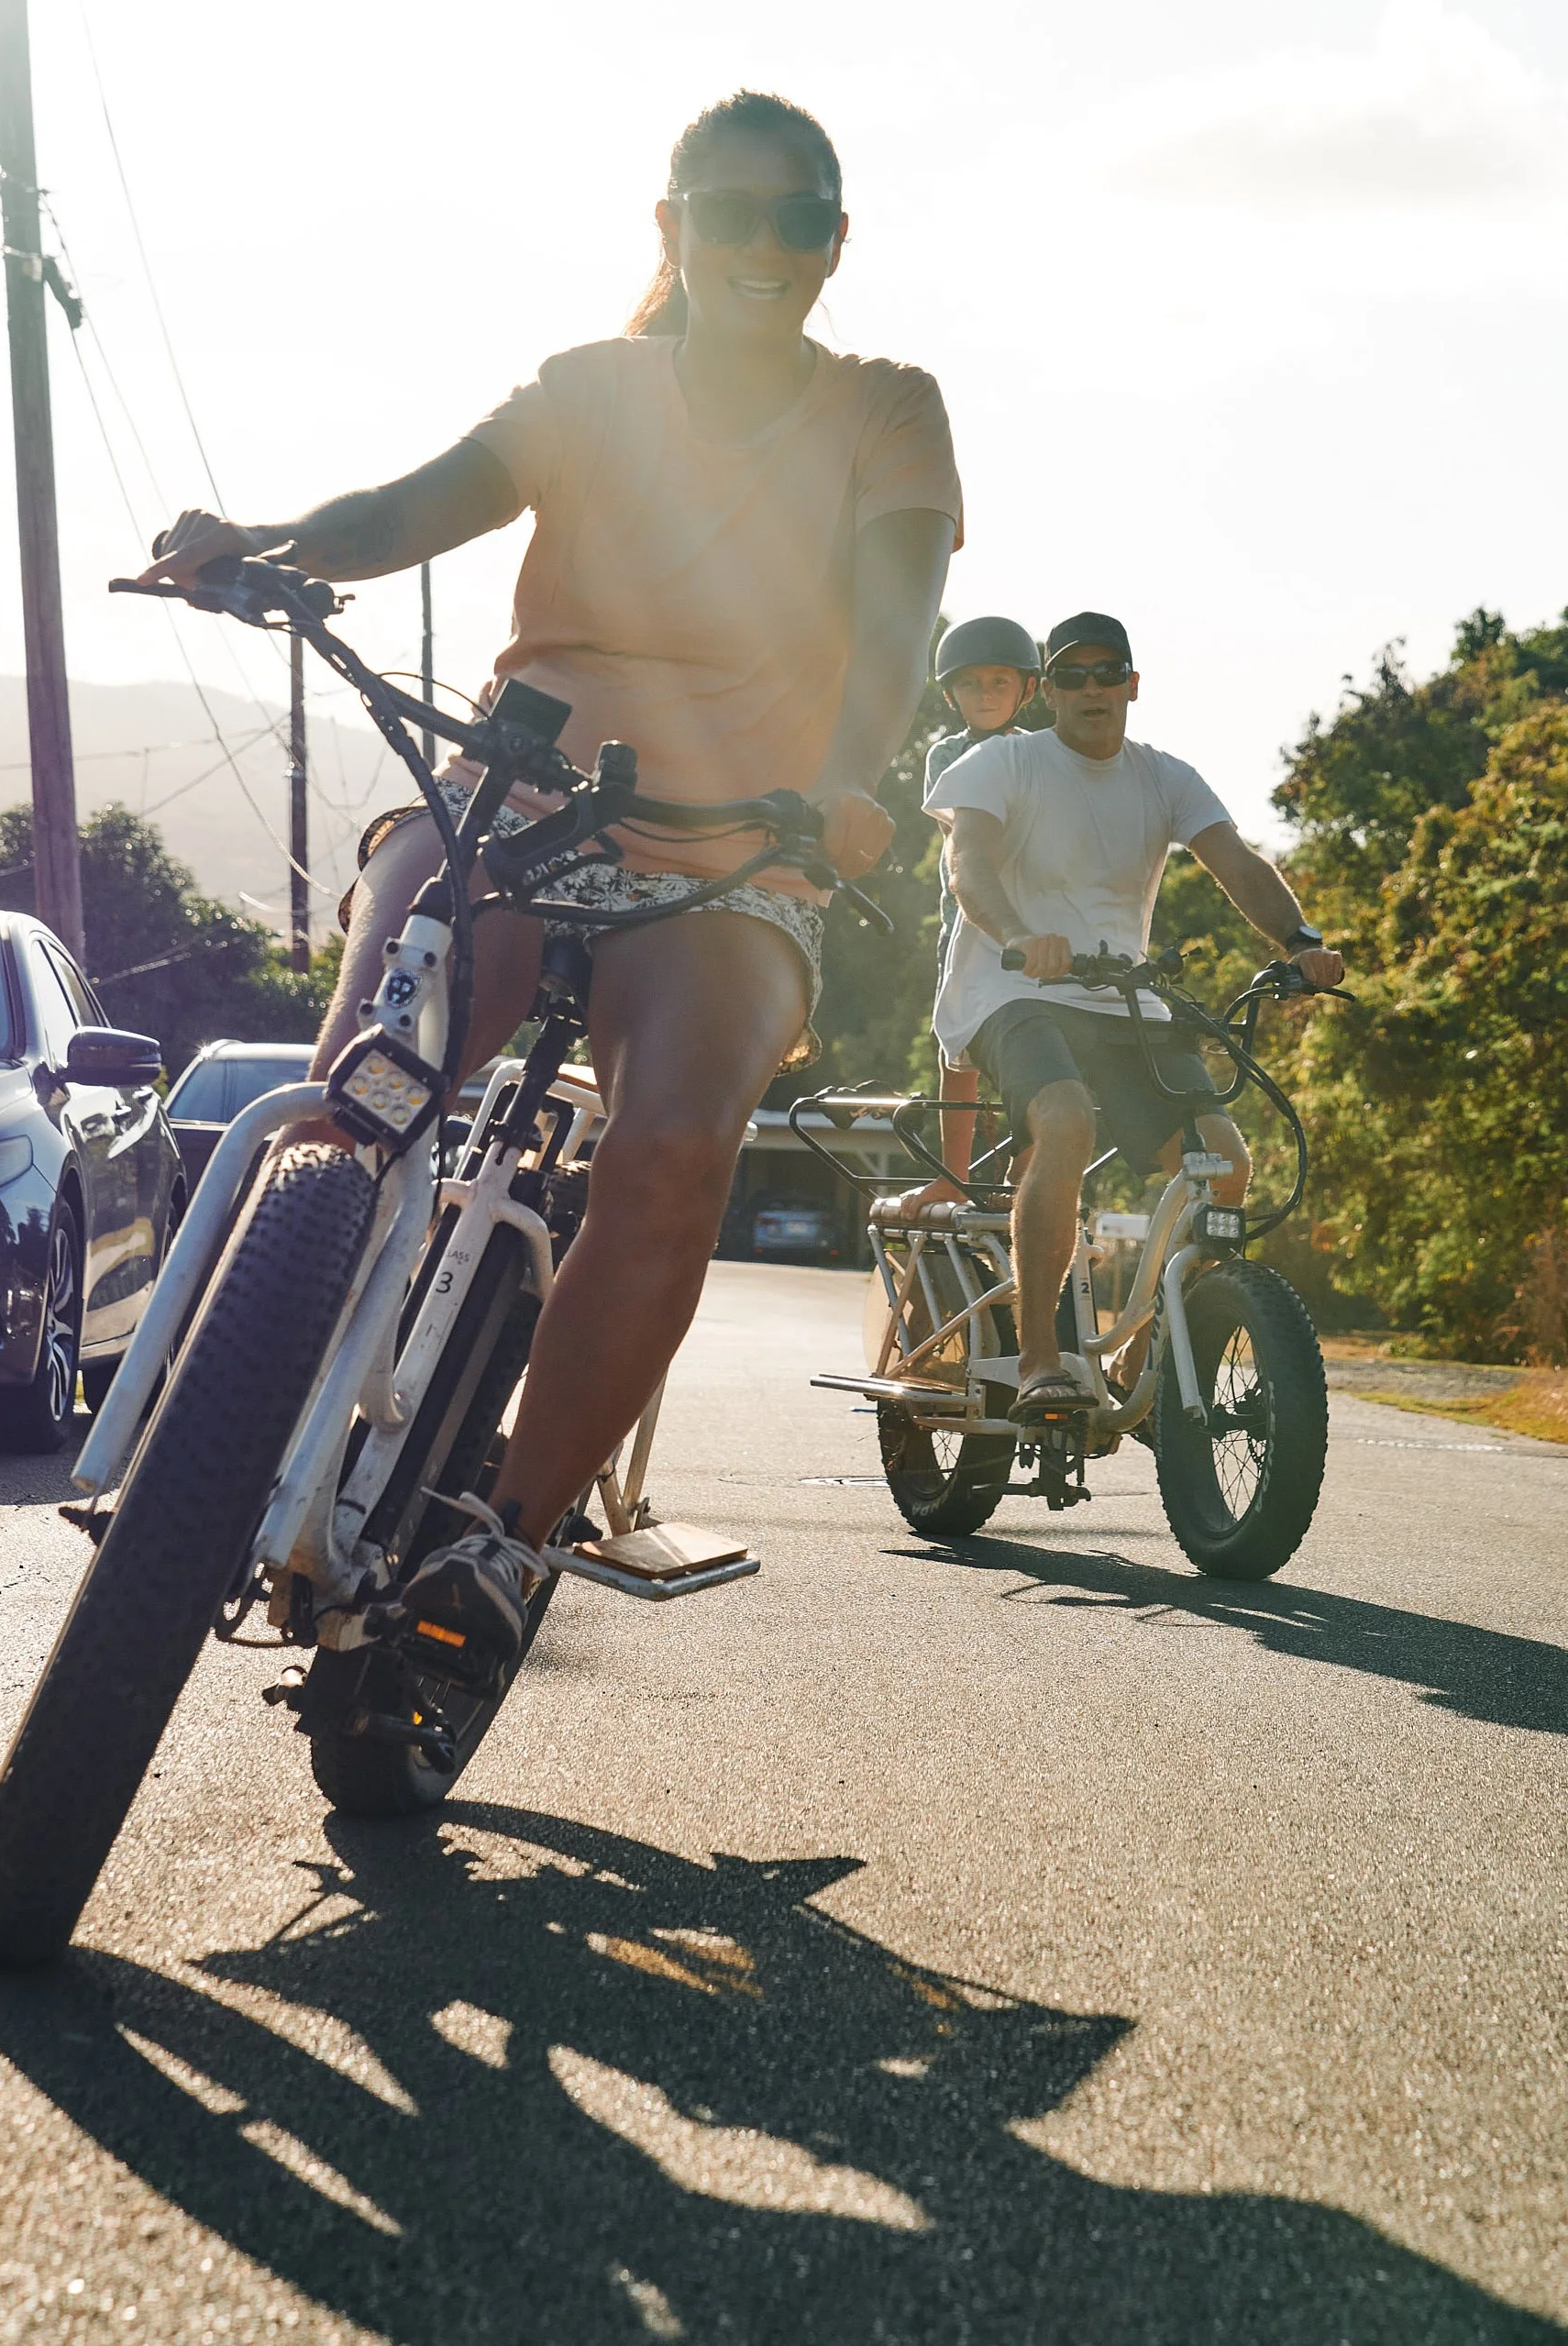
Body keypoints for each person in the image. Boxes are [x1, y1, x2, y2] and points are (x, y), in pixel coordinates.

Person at [138, 90, 961, 1669]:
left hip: (743, 847)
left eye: (800, 219)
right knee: (370, 1084)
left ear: (833, 243)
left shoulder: (884, 409)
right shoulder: (592, 391)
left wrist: (845, 781)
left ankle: (504, 1547)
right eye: (729, 212)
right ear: (670, 228)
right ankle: (241, 1407)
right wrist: (272, 541)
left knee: (668, 1154)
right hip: (518, 800)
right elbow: (414, 504)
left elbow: (894, 618)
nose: (763, 245)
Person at [929, 612, 1343, 1413]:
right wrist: (1017, 935)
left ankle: (1145, 1353)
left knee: (1225, 1166)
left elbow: (1236, 863)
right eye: (1073, 676)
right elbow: (966, 861)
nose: (1092, 689)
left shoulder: (1166, 778)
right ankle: (1042, 1360)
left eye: (1107, 673)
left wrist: (1299, 941)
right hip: (1011, 991)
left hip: (1123, 999)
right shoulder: (1001, 763)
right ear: (1047, 689)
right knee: (1065, 1118)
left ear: (1133, 684)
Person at [910, 615, 1041, 1201]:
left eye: (999, 683)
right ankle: (953, 1175)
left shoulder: (1043, 755)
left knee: (1035, 1045)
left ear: (1027, 690)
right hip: (964, 920)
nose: (985, 697)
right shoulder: (946, 755)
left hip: (1033, 922)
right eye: (970, 686)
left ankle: (1027, 1169)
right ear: (949, 694)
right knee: (956, 1049)